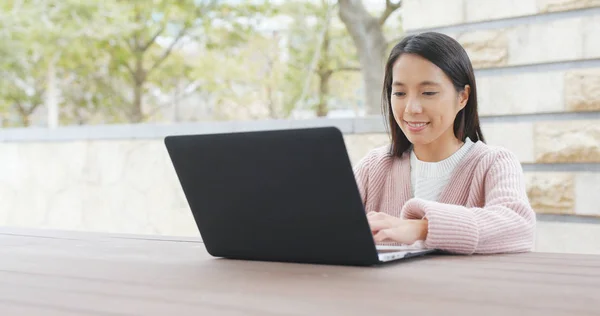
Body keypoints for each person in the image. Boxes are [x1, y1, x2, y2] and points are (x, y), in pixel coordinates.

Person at [354, 32, 536, 255]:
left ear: (463, 97)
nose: (411, 108)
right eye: (399, 92)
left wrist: (422, 228)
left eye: (428, 92)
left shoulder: (494, 163)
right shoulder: (374, 167)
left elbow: (519, 227)